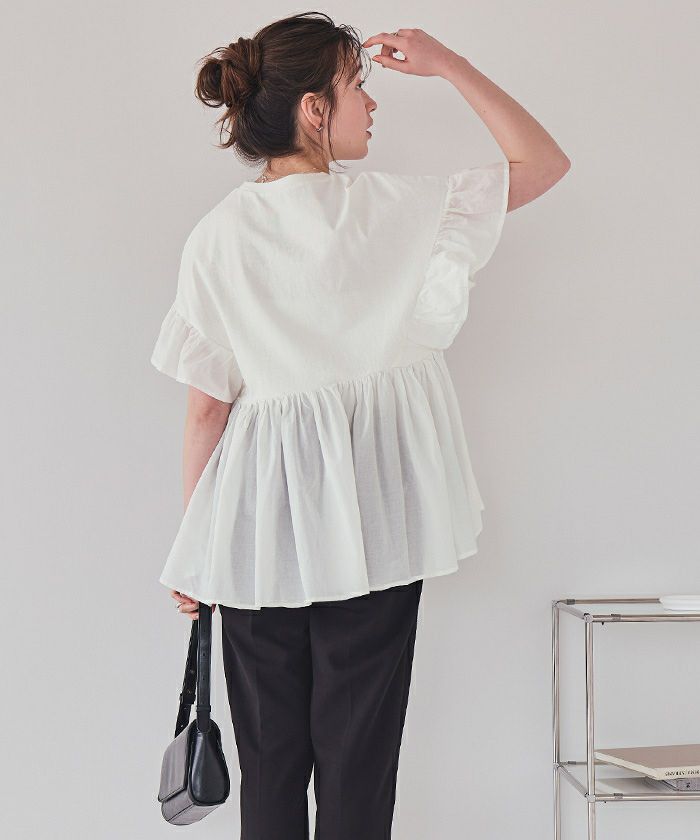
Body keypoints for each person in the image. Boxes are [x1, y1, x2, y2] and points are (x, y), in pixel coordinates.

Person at [150, 11, 570, 839]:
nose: (372, 106)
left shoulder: (217, 236)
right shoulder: (395, 211)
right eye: (357, 89)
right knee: (359, 767)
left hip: (256, 534)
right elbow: (543, 163)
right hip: (376, 527)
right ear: (315, 109)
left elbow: (206, 407)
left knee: (270, 767)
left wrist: (197, 548)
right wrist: (448, 63)